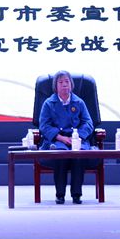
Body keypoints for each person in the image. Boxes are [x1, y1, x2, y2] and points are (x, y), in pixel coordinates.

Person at [38, 70, 94, 204]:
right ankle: (60, 194)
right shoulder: (48, 103)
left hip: (77, 139)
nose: (64, 85)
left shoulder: (79, 102)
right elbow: (44, 125)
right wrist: (60, 138)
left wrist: (78, 136)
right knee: (60, 154)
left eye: (67, 82)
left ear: (71, 84)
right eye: (61, 82)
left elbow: (88, 123)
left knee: (78, 154)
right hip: (57, 139)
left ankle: (76, 195)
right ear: (55, 86)